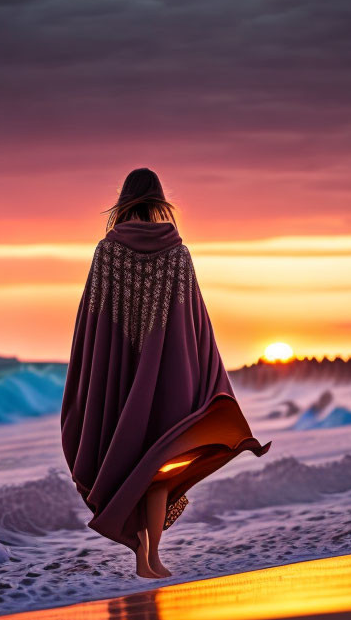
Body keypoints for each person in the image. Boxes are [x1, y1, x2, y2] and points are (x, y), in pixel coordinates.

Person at [60, 168, 272, 578]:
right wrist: (208, 379)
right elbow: (196, 326)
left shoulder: (107, 252)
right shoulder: (178, 254)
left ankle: (143, 557)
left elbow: (91, 326)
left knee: (130, 465)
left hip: (118, 383)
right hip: (168, 381)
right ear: (159, 201)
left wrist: (88, 380)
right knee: (156, 470)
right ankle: (151, 556)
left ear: (123, 200)